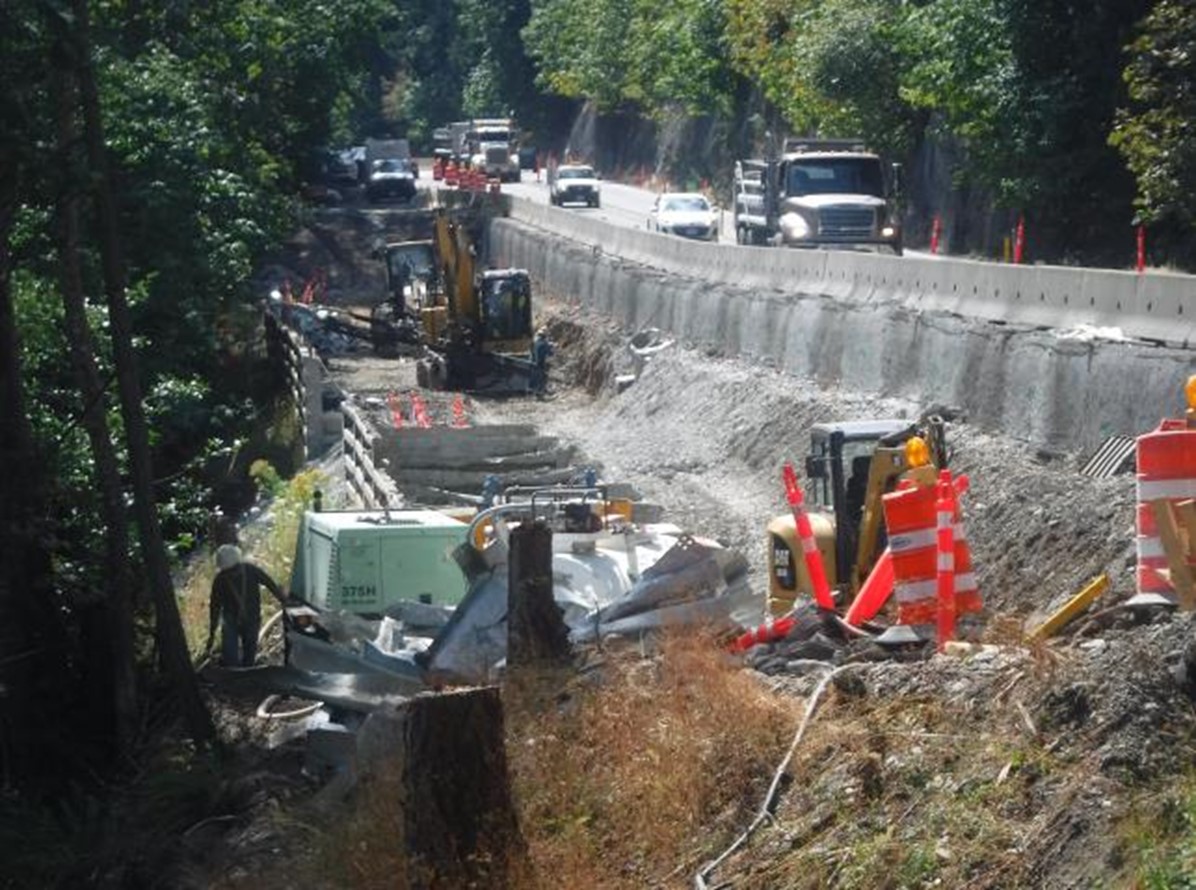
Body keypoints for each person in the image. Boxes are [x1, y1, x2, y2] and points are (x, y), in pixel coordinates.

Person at [206, 544, 287, 668]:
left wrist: (284, 601)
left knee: (248, 656)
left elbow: (270, 584)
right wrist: (212, 634)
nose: (232, 573)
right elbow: (214, 607)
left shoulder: (246, 571)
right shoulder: (223, 579)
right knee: (232, 659)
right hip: (235, 620)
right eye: (228, 571)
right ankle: (236, 675)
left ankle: (245, 674)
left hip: (249, 619)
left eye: (233, 570)